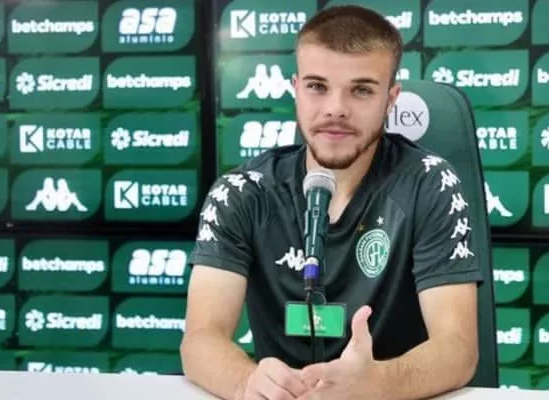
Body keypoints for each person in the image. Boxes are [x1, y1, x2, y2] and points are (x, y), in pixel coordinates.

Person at [180, 5, 482, 400]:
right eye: (317, 86)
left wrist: (379, 384)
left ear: (391, 98)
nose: (335, 108)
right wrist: (246, 382)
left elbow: (458, 349)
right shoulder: (241, 191)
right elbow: (201, 338)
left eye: (361, 89)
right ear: (296, 88)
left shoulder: (429, 184)